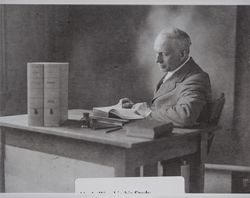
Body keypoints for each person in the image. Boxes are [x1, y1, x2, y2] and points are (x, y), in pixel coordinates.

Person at [121, 27, 211, 127]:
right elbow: (163, 106)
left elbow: (185, 116)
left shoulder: (196, 78)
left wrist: (147, 112)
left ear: (182, 54)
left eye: (164, 54)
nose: (157, 60)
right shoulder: (174, 71)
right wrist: (135, 109)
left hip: (176, 140)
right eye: (156, 53)